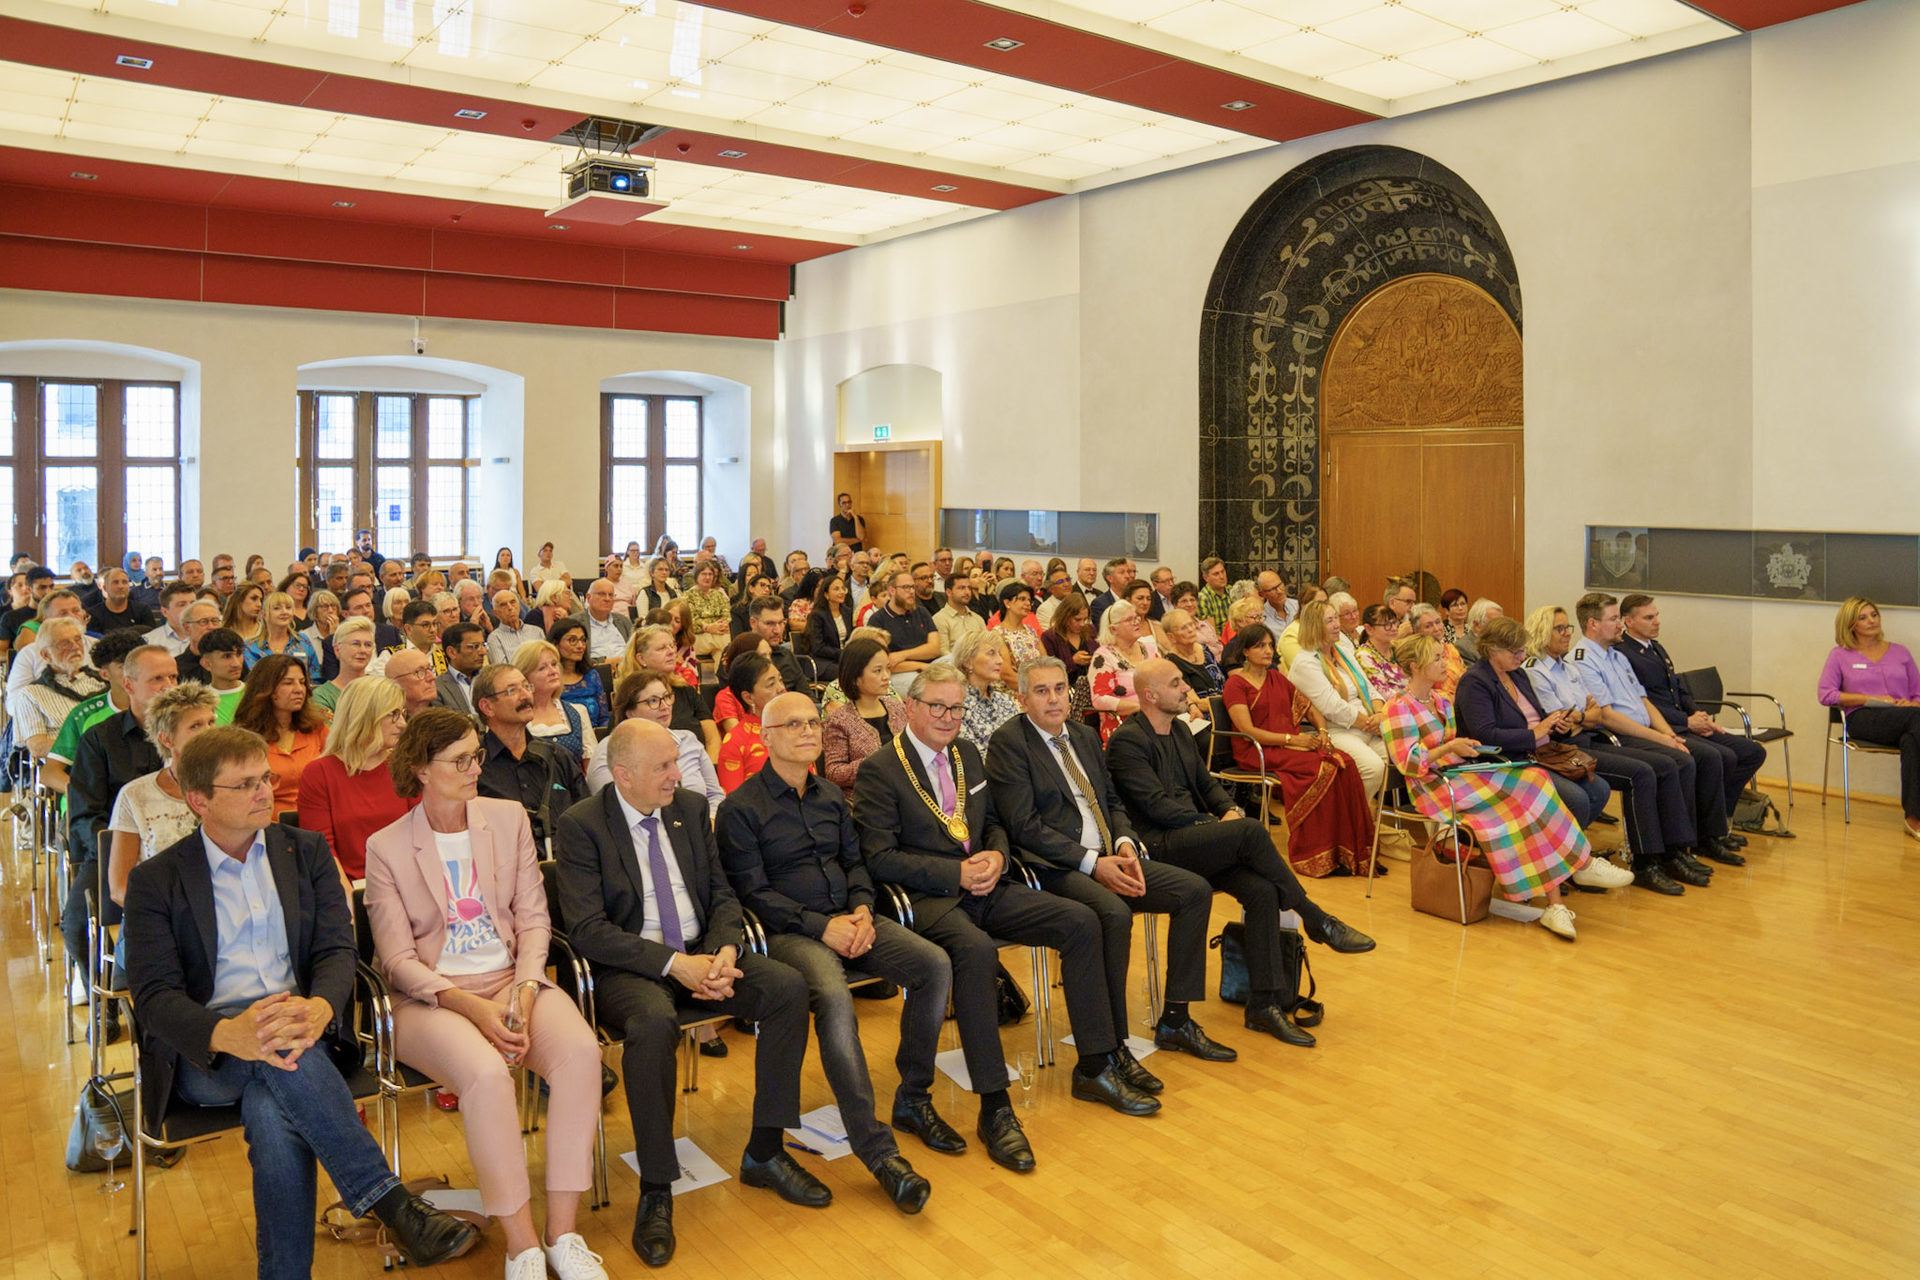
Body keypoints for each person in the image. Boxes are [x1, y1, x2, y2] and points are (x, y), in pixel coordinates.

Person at [122, 726, 480, 1276]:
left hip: (305, 1026)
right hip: (209, 1051)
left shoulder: (305, 852)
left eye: (265, 778)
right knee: (285, 1061)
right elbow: (153, 996)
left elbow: (337, 949)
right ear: (200, 800)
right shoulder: (157, 880)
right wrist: (229, 1034)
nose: (265, 792)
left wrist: (321, 1008)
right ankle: (392, 1205)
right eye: (245, 784)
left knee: (274, 1105)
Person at [554, 719, 825, 1268]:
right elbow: (587, 930)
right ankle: (657, 1186)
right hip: (630, 967)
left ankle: (766, 1152)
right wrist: (675, 965)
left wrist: (724, 951)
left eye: (676, 762)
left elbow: (722, 893)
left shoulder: (691, 809)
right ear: (623, 775)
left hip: (703, 952)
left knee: (788, 988)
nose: (677, 775)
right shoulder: (582, 825)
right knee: (653, 1025)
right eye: (663, 767)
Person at [365, 710, 608, 1280]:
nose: (476, 768)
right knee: (487, 1076)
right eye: (460, 761)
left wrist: (523, 989)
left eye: (476, 756)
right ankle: (521, 1246)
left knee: (581, 1055)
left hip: (511, 979)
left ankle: (562, 1235)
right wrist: (473, 1007)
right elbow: (397, 962)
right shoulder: (387, 846)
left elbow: (534, 919)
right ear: (421, 769)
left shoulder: (507, 818)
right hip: (432, 999)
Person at [854, 666, 1119, 1161]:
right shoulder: (880, 769)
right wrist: (953, 874)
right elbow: (879, 858)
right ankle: (995, 1106)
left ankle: (1095, 1064)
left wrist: (997, 854)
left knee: (1080, 921)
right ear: (910, 707)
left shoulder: (968, 754)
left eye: (956, 708)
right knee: (976, 953)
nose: (948, 717)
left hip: (987, 883)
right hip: (928, 897)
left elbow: (994, 823)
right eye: (937, 706)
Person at [715, 691, 935, 1212]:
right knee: (835, 999)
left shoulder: (831, 795)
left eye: (814, 722)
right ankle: (878, 1153)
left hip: (851, 919)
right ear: (767, 737)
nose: (809, 731)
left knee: (933, 965)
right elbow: (753, 894)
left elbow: (856, 863)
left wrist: (861, 909)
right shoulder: (740, 808)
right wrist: (823, 927)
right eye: (794, 724)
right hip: (789, 933)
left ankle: (913, 1097)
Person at [983, 654, 1227, 1095]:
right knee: (1113, 914)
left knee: (1193, 890)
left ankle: (1176, 1019)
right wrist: (1092, 863)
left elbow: (1112, 802)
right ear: (1022, 699)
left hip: (1111, 854)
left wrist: (1125, 843)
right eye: (1041, 691)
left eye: (1060, 689)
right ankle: (1110, 1049)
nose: (1054, 699)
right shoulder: (1010, 743)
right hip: (1055, 866)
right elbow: (1024, 826)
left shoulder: (1082, 735)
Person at [1109, 660, 1376, 1047]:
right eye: (1176, 683)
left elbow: (1206, 785)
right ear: (1149, 695)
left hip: (1195, 839)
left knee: (1262, 890)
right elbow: (1155, 807)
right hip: (1160, 846)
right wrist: (1215, 825)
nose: (1186, 689)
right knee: (1250, 831)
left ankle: (1264, 1005)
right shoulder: (1127, 742)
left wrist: (1227, 810)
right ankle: (1315, 918)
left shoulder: (1180, 730)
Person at [1379, 633, 1600, 940]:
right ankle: (1575, 873)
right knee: (1521, 805)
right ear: (1415, 666)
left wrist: (1465, 747)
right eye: (1436, 659)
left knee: (1535, 779)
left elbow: (1452, 744)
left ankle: (1562, 892)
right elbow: (1408, 762)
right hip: (1434, 786)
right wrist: (1449, 748)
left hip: (1460, 774)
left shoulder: (1441, 700)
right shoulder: (1398, 707)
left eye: (1442, 657)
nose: (1444, 664)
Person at [1520, 604, 1687, 894]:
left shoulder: (1569, 667)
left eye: (1567, 627)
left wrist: (1580, 718)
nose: (1566, 633)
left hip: (1585, 740)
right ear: (1542, 633)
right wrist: (1583, 717)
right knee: (1640, 774)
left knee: (1660, 764)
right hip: (1560, 750)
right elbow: (1560, 723)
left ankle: (1670, 852)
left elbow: (1594, 715)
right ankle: (1644, 864)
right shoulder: (1535, 670)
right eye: (1559, 629)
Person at [1568, 592, 1719, 888]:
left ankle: (1676, 850)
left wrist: (1669, 734)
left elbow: (1644, 700)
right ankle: (1647, 860)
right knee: (1664, 765)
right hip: (1617, 736)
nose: (1620, 625)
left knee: (1683, 757)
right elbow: (1607, 716)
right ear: (1593, 624)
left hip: (1642, 730)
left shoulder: (1617, 655)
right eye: (1613, 619)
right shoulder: (1583, 660)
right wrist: (1659, 738)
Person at [1220, 624, 1376, 877]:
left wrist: (1322, 732)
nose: (1268, 651)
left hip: (1287, 745)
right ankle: (1315, 854)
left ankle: (1353, 850)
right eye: (1260, 646)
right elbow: (1248, 731)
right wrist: (1292, 740)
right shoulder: (1236, 684)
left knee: (1344, 762)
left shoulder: (1277, 678)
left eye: (1270, 645)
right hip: (1256, 750)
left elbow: (1311, 709)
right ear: (1245, 651)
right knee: (1322, 769)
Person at [1617, 593, 1763, 864]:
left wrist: (1697, 714)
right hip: (1664, 727)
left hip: (1683, 721)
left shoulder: (1655, 647)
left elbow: (1678, 689)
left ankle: (1719, 822)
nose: (1657, 621)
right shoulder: (1623, 653)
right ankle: (1707, 835)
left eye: (1657, 615)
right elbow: (1645, 704)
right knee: (1716, 757)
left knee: (1751, 752)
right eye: (1649, 617)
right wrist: (1686, 722)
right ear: (1629, 621)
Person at [1457, 617, 1621, 840]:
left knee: (1599, 790)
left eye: (1523, 650)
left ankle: (1560, 848)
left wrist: (1557, 725)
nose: (1522, 657)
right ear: (1493, 650)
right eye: (1516, 652)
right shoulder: (1476, 681)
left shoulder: (1517, 674)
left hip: (1541, 753)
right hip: (1506, 761)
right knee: (1577, 799)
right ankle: (1559, 851)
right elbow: (1484, 735)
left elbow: (1537, 717)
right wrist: (1534, 734)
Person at [106, 681, 220, 920]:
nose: (209, 732)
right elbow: (119, 888)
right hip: (156, 914)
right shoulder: (135, 795)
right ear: (167, 739)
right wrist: (171, 918)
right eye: (195, 726)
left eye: (211, 722)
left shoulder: (232, 786)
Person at [1819, 596, 1920, 840]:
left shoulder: (1900, 652)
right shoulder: (1840, 655)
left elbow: (1918, 693)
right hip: (1863, 718)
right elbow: (1826, 694)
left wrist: (1913, 703)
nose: (1871, 620)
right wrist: (1866, 698)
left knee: (1912, 741)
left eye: (1874, 615)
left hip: (1907, 717)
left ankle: (1913, 818)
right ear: (1851, 624)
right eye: (1863, 618)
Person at [297, 676, 413, 885]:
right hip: (351, 886)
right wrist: (350, 899)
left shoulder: (405, 766)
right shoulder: (319, 773)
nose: (403, 724)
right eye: (393, 714)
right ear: (366, 716)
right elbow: (323, 852)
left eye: (403, 714)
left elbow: (421, 836)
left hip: (406, 882)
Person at [472, 663, 589, 844]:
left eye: (526, 687)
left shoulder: (557, 756)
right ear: (487, 707)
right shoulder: (475, 767)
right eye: (512, 690)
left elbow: (587, 817)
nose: (526, 695)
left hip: (565, 858)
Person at [1286, 599, 1387, 798]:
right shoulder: (1306, 662)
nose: (1337, 625)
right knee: (1373, 768)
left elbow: (1370, 688)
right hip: (1335, 730)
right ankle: (1353, 816)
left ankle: (1367, 815)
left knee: (1399, 755)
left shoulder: (1343, 651)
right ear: (1314, 627)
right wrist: (1370, 723)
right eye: (1329, 621)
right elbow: (1333, 708)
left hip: (1367, 725)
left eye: (1336, 618)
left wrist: (1379, 714)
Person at [587, 672, 724, 811]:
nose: (664, 706)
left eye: (667, 697)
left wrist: (710, 819)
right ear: (630, 712)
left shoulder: (688, 740)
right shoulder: (609, 750)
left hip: (697, 822)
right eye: (653, 701)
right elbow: (613, 806)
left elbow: (715, 795)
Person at [230, 653, 328, 816]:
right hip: (267, 821)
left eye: (302, 682)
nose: (299, 689)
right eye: (288, 683)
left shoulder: (316, 728)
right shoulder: (243, 738)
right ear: (266, 689)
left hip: (317, 816)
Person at [619, 625, 718, 757]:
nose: (671, 652)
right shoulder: (630, 696)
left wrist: (710, 766)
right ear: (641, 659)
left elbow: (713, 739)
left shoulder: (686, 690)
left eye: (672, 645)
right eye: (662, 648)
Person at [821, 637, 904, 790]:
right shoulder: (840, 719)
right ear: (855, 677)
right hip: (866, 794)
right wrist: (875, 762)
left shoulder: (898, 708)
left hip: (904, 790)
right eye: (877, 671)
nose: (886, 676)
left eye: (888, 668)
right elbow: (834, 773)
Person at [513, 638, 596, 766]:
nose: (553, 671)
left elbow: (591, 766)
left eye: (554, 664)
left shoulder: (577, 712)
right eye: (542, 668)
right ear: (525, 677)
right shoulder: (514, 717)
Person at [1088, 600, 1159, 744]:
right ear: (1113, 629)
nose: (1136, 622)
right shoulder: (1103, 657)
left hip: (1158, 718)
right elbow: (1099, 699)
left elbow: (1166, 680)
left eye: (1136, 618)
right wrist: (1140, 708)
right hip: (1125, 726)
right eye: (1129, 620)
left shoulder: (1149, 649)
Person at [716, 653, 785, 793]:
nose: (781, 688)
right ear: (748, 697)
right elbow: (733, 800)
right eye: (771, 684)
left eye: (780, 680)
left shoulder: (797, 728)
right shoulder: (736, 741)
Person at [953, 629, 1020, 759]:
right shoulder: (957, 705)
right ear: (968, 662)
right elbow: (972, 758)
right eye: (991, 653)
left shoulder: (1005, 700)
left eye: (999, 653)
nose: (1000, 661)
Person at [870, 569, 940, 691]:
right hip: (901, 673)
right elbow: (885, 662)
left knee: (954, 664)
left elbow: (935, 649)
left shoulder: (921, 612)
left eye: (913, 587)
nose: (912, 591)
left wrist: (902, 655)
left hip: (930, 665)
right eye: (906, 587)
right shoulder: (877, 620)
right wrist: (921, 666)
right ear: (892, 590)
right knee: (926, 686)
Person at [548, 617, 609, 731]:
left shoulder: (591, 675)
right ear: (555, 644)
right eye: (572, 640)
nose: (580, 645)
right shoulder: (549, 678)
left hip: (594, 735)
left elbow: (604, 718)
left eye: (583, 640)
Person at [1161, 607, 1225, 700]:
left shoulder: (1204, 649)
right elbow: (1192, 700)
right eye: (1183, 628)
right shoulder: (1171, 663)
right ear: (1171, 637)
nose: (1191, 630)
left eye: (1191, 624)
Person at [574, 578, 633, 664]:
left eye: (611, 595)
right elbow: (574, 657)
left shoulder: (623, 621)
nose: (607, 599)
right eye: (602, 594)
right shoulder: (576, 622)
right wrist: (607, 662)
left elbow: (636, 649)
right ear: (588, 598)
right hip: (595, 668)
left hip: (627, 667)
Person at [434, 620, 487, 715]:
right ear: (452, 652)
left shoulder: (492, 679)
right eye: (474, 646)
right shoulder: (438, 688)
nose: (483, 652)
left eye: (483, 645)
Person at [1042, 592, 1096, 682]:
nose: (1082, 624)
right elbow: (1049, 671)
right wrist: (1072, 662)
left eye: (1085, 619)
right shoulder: (1050, 637)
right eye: (1077, 620)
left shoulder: (1090, 630)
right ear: (1065, 616)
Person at [199, 627, 250, 722]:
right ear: (206, 663)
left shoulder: (256, 695)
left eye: (239, 654)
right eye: (227, 656)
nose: (236, 663)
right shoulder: (199, 702)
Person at [806, 572, 855, 669]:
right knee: (847, 671)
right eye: (836, 589)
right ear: (826, 594)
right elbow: (818, 647)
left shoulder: (847, 612)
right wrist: (841, 653)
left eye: (843, 588)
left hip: (844, 658)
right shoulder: (817, 615)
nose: (841, 592)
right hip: (824, 661)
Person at [685, 561, 732, 660]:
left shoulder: (719, 595)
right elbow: (691, 621)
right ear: (696, 576)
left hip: (719, 633)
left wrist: (720, 626)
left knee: (721, 654)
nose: (707, 577)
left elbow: (727, 615)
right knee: (726, 643)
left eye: (710, 574)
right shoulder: (688, 596)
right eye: (704, 574)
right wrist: (708, 627)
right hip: (698, 637)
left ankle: (721, 671)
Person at [88, 566, 157, 634]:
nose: (121, 586)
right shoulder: (93, 615)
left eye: (124, 582)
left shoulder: (142, 611)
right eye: (115, 582)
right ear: (105, 588)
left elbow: (151, 637)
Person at [487, 589, 542, 665]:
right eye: (503, 605)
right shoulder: (495, 638)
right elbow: (502, 669)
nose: (510, 607)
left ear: (519, 606)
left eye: (513, 602)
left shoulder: (537, 631)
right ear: (496, 613)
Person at [1087, 558, 1133, 635]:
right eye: (1122, 572)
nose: (1128, 576)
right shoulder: (1099, 604)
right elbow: (1103, 633)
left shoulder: (1133, 599)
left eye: (1128, 572)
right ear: (1110, 578)